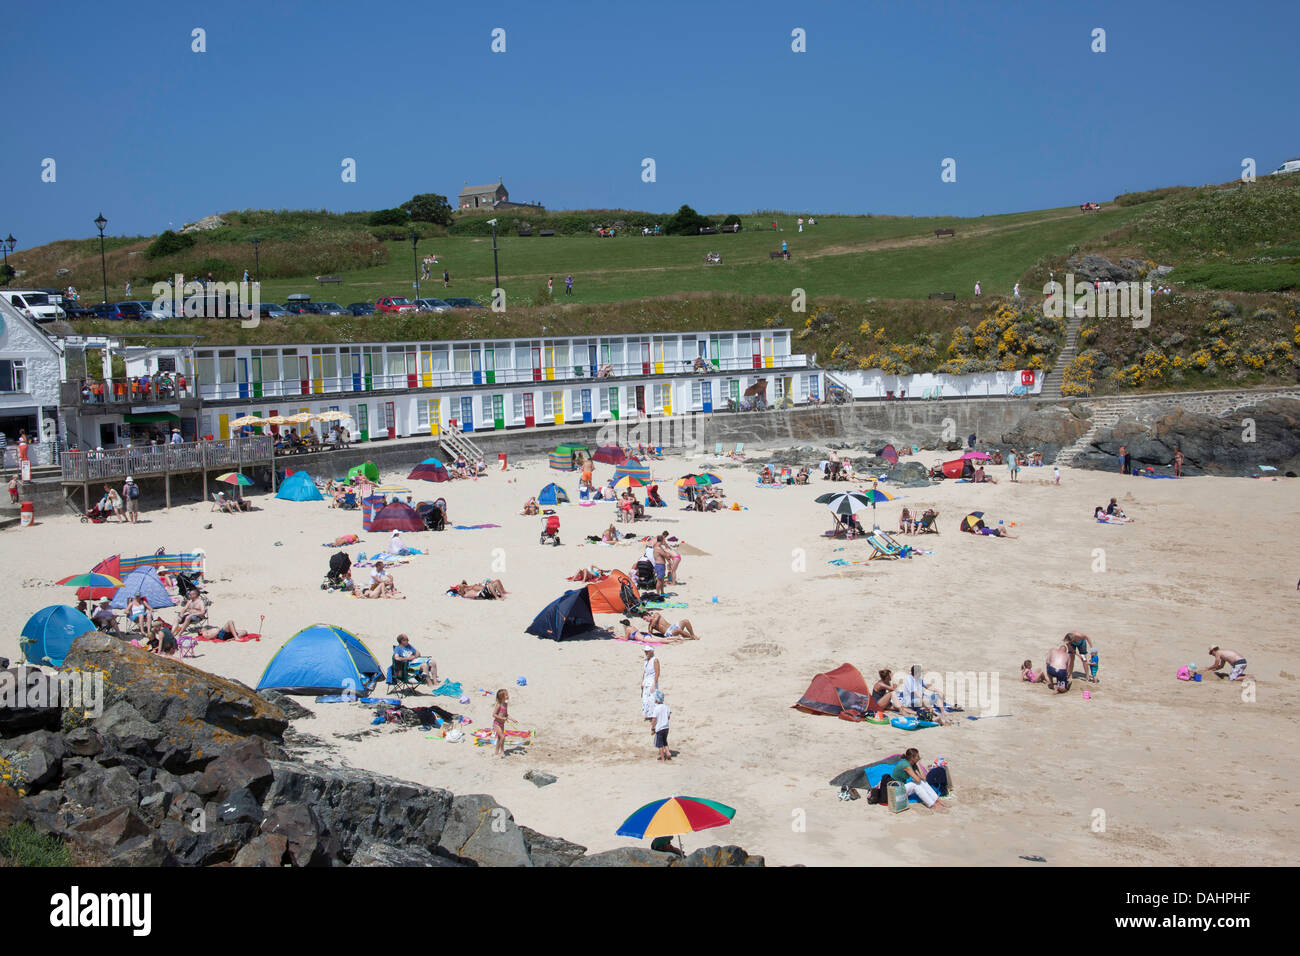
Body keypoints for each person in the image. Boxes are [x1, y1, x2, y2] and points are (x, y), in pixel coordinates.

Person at [641, 648, 660, 728]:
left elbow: (657, 673)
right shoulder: (646, 660)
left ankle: (653, 716)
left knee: (652, 699)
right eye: (645, 651)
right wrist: (642, 682)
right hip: (646, 682)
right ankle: (649, 714)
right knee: (645, 699)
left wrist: (654, 684)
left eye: (647, 651)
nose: (646, 653)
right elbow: (644, 672)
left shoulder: (655, 660)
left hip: (651, 682)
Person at [493, 689, 514, 758]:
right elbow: (494, 714)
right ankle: (502, 751)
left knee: (499, 738)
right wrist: (502, 718)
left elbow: (506, 714)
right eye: (506, 695)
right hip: (496, 723)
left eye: (507, 694)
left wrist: (512, 719)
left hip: (502, 724)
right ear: (501, 697)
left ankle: (496, 752)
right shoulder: (498, 705)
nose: (508, 696)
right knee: (502, 737)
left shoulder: (505, 704)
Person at [651, 689, 671, 761]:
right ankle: (668, 752)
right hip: (666, 727)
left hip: (659, 728)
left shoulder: (656, 709)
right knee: (665, 741)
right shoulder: (666, 707)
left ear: (656, 700)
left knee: (660, 744)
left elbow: (654, 719)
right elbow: (668, 717)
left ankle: (662, 758)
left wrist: (653, 728)